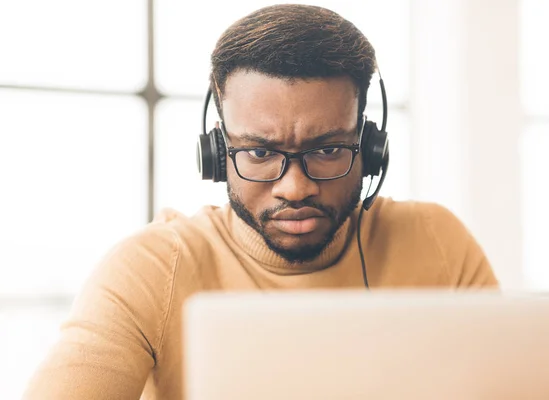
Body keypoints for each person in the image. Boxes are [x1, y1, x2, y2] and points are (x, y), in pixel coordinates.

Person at [24, 4, 498, 399]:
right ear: (216, 153)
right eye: (259, 152)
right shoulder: (151, 269)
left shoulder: (438, 243)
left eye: (329, 149)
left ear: (371, 148)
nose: (294, 188)